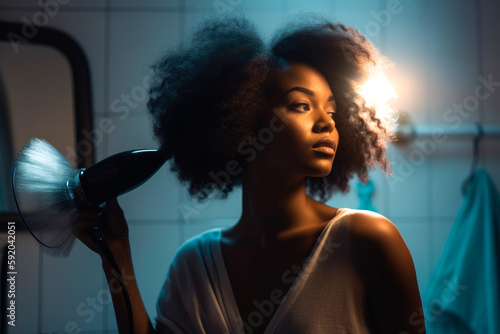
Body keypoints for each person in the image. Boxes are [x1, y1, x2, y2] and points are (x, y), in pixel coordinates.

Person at [74, 14, 425, 334]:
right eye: (301, 105)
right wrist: (116, 255)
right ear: (244, 121)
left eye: (332, 112)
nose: (326, 124)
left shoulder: (367, 240)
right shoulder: (194, 264)